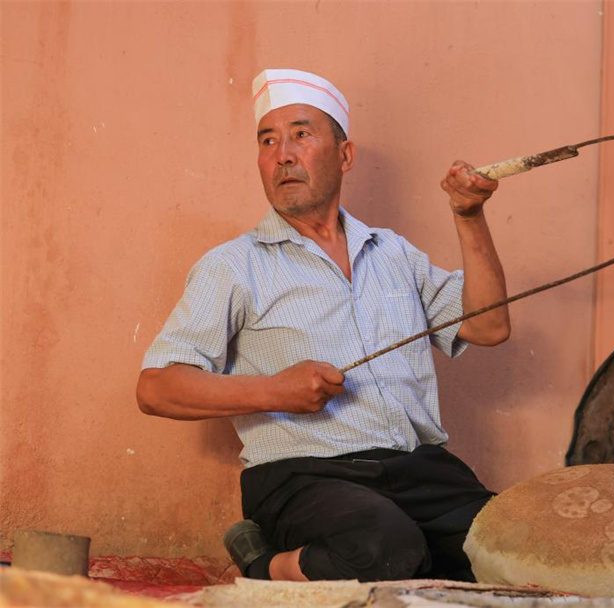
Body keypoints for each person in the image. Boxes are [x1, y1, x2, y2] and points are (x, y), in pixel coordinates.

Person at [136, 69, 511, 583]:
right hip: (305, 477)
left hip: (419, 470)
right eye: (268, 141)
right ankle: (262, 564)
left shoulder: (393, 252)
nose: (283, 155)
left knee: (517, 549)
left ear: (345, 155)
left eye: (301, 134)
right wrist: (275, 390)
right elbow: (156, 388)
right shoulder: (233, 266)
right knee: (385, 548)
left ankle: (400, 554)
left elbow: (489, 327)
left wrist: (469, 216)